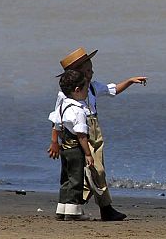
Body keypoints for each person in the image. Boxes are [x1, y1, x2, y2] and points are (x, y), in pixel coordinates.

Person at [47, 47, 147, 221]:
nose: (91, 73)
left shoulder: (92, 88)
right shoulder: (64, 95)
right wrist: (54, 141)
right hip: (78, 134)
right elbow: (57, 118)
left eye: (91, 70)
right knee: (95, 170)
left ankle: (77, 204)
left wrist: (130, 81)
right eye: (87, 71)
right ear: (76, 73)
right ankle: (102, 207)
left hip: (94, 132)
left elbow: (113, 90)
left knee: (93, 169)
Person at [51, 69, 94, 221]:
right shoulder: (78, 111)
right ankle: (73, 211)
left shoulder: (62, 107)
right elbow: (82, 135)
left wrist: (55, 142)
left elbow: (56, 126)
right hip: (75, 149)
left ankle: (61, 208)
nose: (87, 92)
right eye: (85, 89)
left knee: (65, 179)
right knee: (76, 179)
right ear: (77, 90)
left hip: (64, 148)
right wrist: (88, 154)